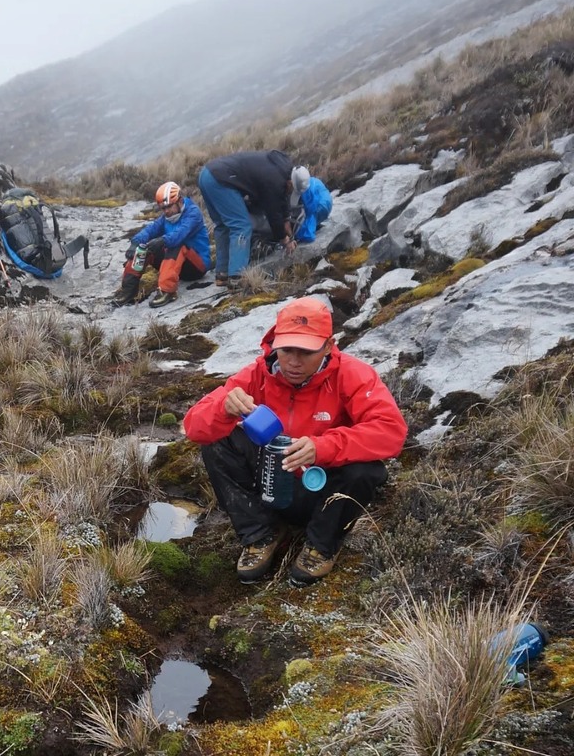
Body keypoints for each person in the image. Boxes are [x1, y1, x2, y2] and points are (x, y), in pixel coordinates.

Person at [182, 297, 407, 586]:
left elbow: (391, 432)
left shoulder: (353, 375)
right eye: (286, 349)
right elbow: (194, 427)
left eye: (306, 351)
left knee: (366, 471)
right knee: (217, 440)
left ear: (328, 345)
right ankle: (261, 533)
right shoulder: (256, 375)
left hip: (322, 489)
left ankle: (321, 545)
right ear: (275, 343)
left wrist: (323, 447)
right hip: (270, 484)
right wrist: (222, 409)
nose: (293, 361)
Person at [198, 151, 307, 288]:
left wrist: (287, 223)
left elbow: (282, 200)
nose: (291, 191)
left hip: (207, 175)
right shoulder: (273, 181)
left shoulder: (280, 170)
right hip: (221, 180)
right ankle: (237, 276)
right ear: (291, 181)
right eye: (292, 188)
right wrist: (284, 239)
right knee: (241, 225)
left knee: (223, 225)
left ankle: (223, 273)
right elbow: (273, 214)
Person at [111, 181, 212, 309]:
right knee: (144, 249)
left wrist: (161, 241)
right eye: (163, 208)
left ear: (179, 201)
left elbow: (179, 235)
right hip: (179, 267)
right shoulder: (167, 218)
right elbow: (150, 230)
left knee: (176, 245)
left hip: (197, 267)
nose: (166, 211)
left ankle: (167, 291)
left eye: (169, 206)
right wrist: (135, 243)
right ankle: (128, 291)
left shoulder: (193, 213)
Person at [291, 168, 333, 243]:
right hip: (325, 201)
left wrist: (294, 236)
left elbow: (308, 236)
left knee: (304, 231)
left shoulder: (310, 198)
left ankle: (315, 223)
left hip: (322, 207)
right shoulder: (313, 181)